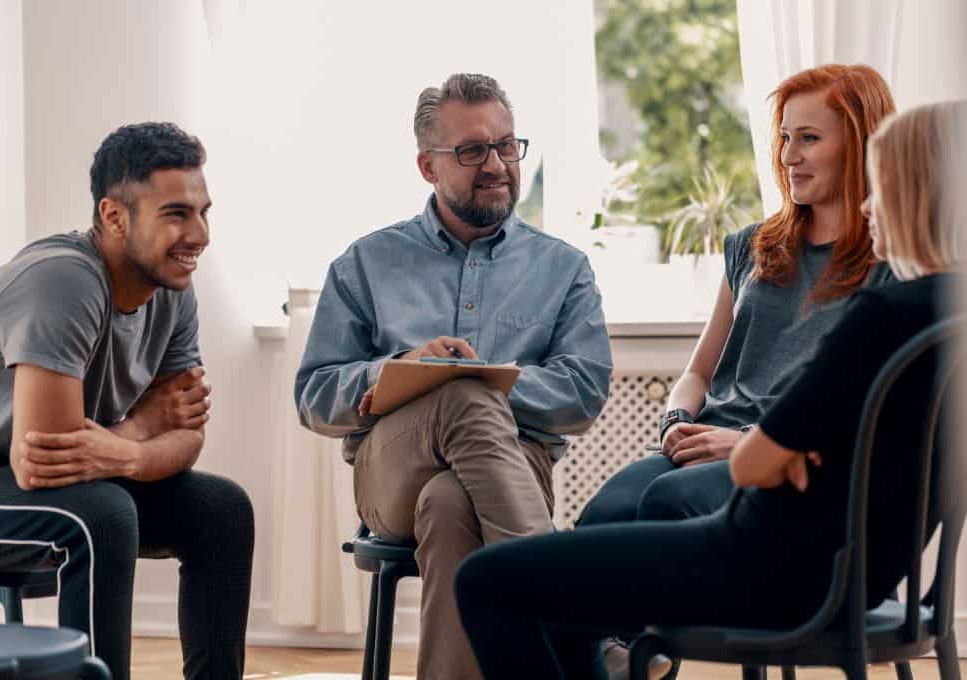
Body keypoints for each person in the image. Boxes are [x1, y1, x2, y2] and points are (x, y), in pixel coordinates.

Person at [455, 98, 967, 680]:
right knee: (574, 600)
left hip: (761, 563)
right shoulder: (946, 319)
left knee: (485, 581)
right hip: (855, 576)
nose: (870, 205)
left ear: (923, 196)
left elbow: (750, 466)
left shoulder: (882, 316)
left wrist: (775, 451)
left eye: (885, 187)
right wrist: (796, 450)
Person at [295, 73, 612, 680]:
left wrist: (481, 382)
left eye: (507, 145)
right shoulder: (365, 263)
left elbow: (583, 393)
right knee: (461, 396)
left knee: (450, 500)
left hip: (519, 469)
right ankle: (577, 634)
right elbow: (313, 397)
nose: (496, 164)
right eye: (472, 151)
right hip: (391, 472)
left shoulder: (564, 269)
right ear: (427, 165)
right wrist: (406, 371)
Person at [0, 122, 254, 680]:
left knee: (222, 510)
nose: (199, 234)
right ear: (114, 216)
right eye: (176, 214)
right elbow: (47, 464)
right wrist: (143, 427)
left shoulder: (173, 286)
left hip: (24, 473)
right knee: (100, 515)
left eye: (204, 212)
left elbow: (188, 433)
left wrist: (125, 449)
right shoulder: (63, 280)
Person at [579, 64, 895, 530]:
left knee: (670, 503)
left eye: (808, 138)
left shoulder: (888, 266)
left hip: (783, 459)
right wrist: (674, 422)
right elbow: (698, 372)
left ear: (861, 143)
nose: (788, 156)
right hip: (701, 442)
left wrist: (747, 442)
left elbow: (865, 413)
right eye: (785, 138)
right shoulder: (753, 246)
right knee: (602, 516)